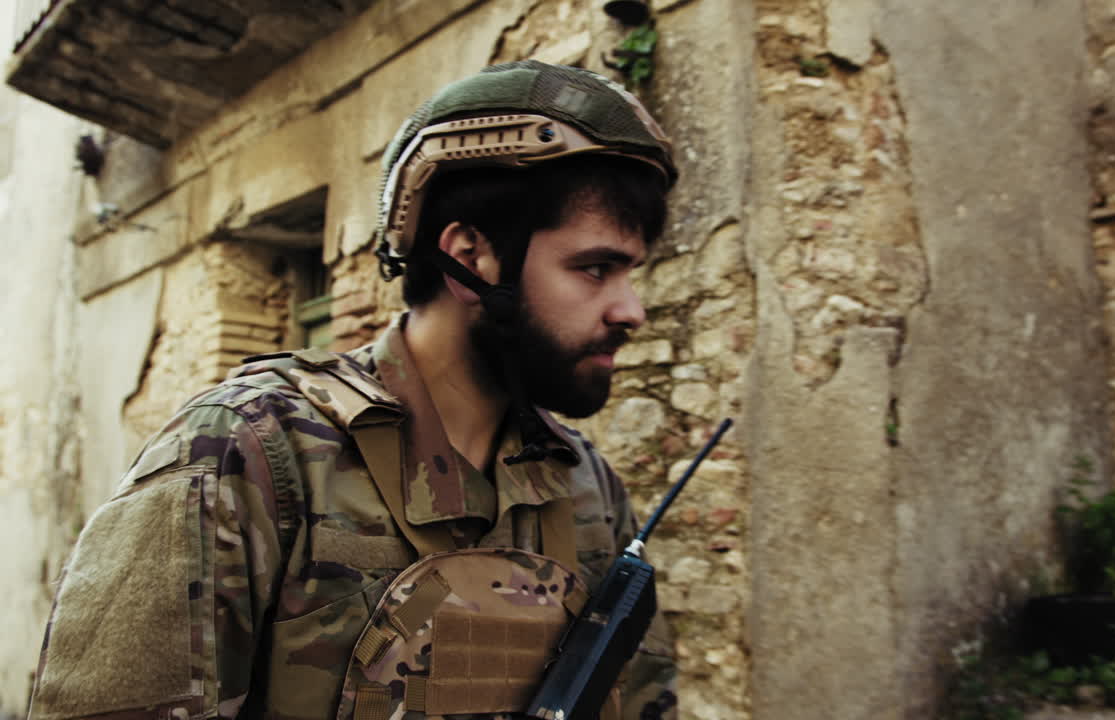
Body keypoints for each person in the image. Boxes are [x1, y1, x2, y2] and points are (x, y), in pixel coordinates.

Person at [28, 61, 679, 720]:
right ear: (470, 257)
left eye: (629, 272)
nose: (631, 310)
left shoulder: (587, 487)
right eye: (595, 268)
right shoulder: (250, 455)